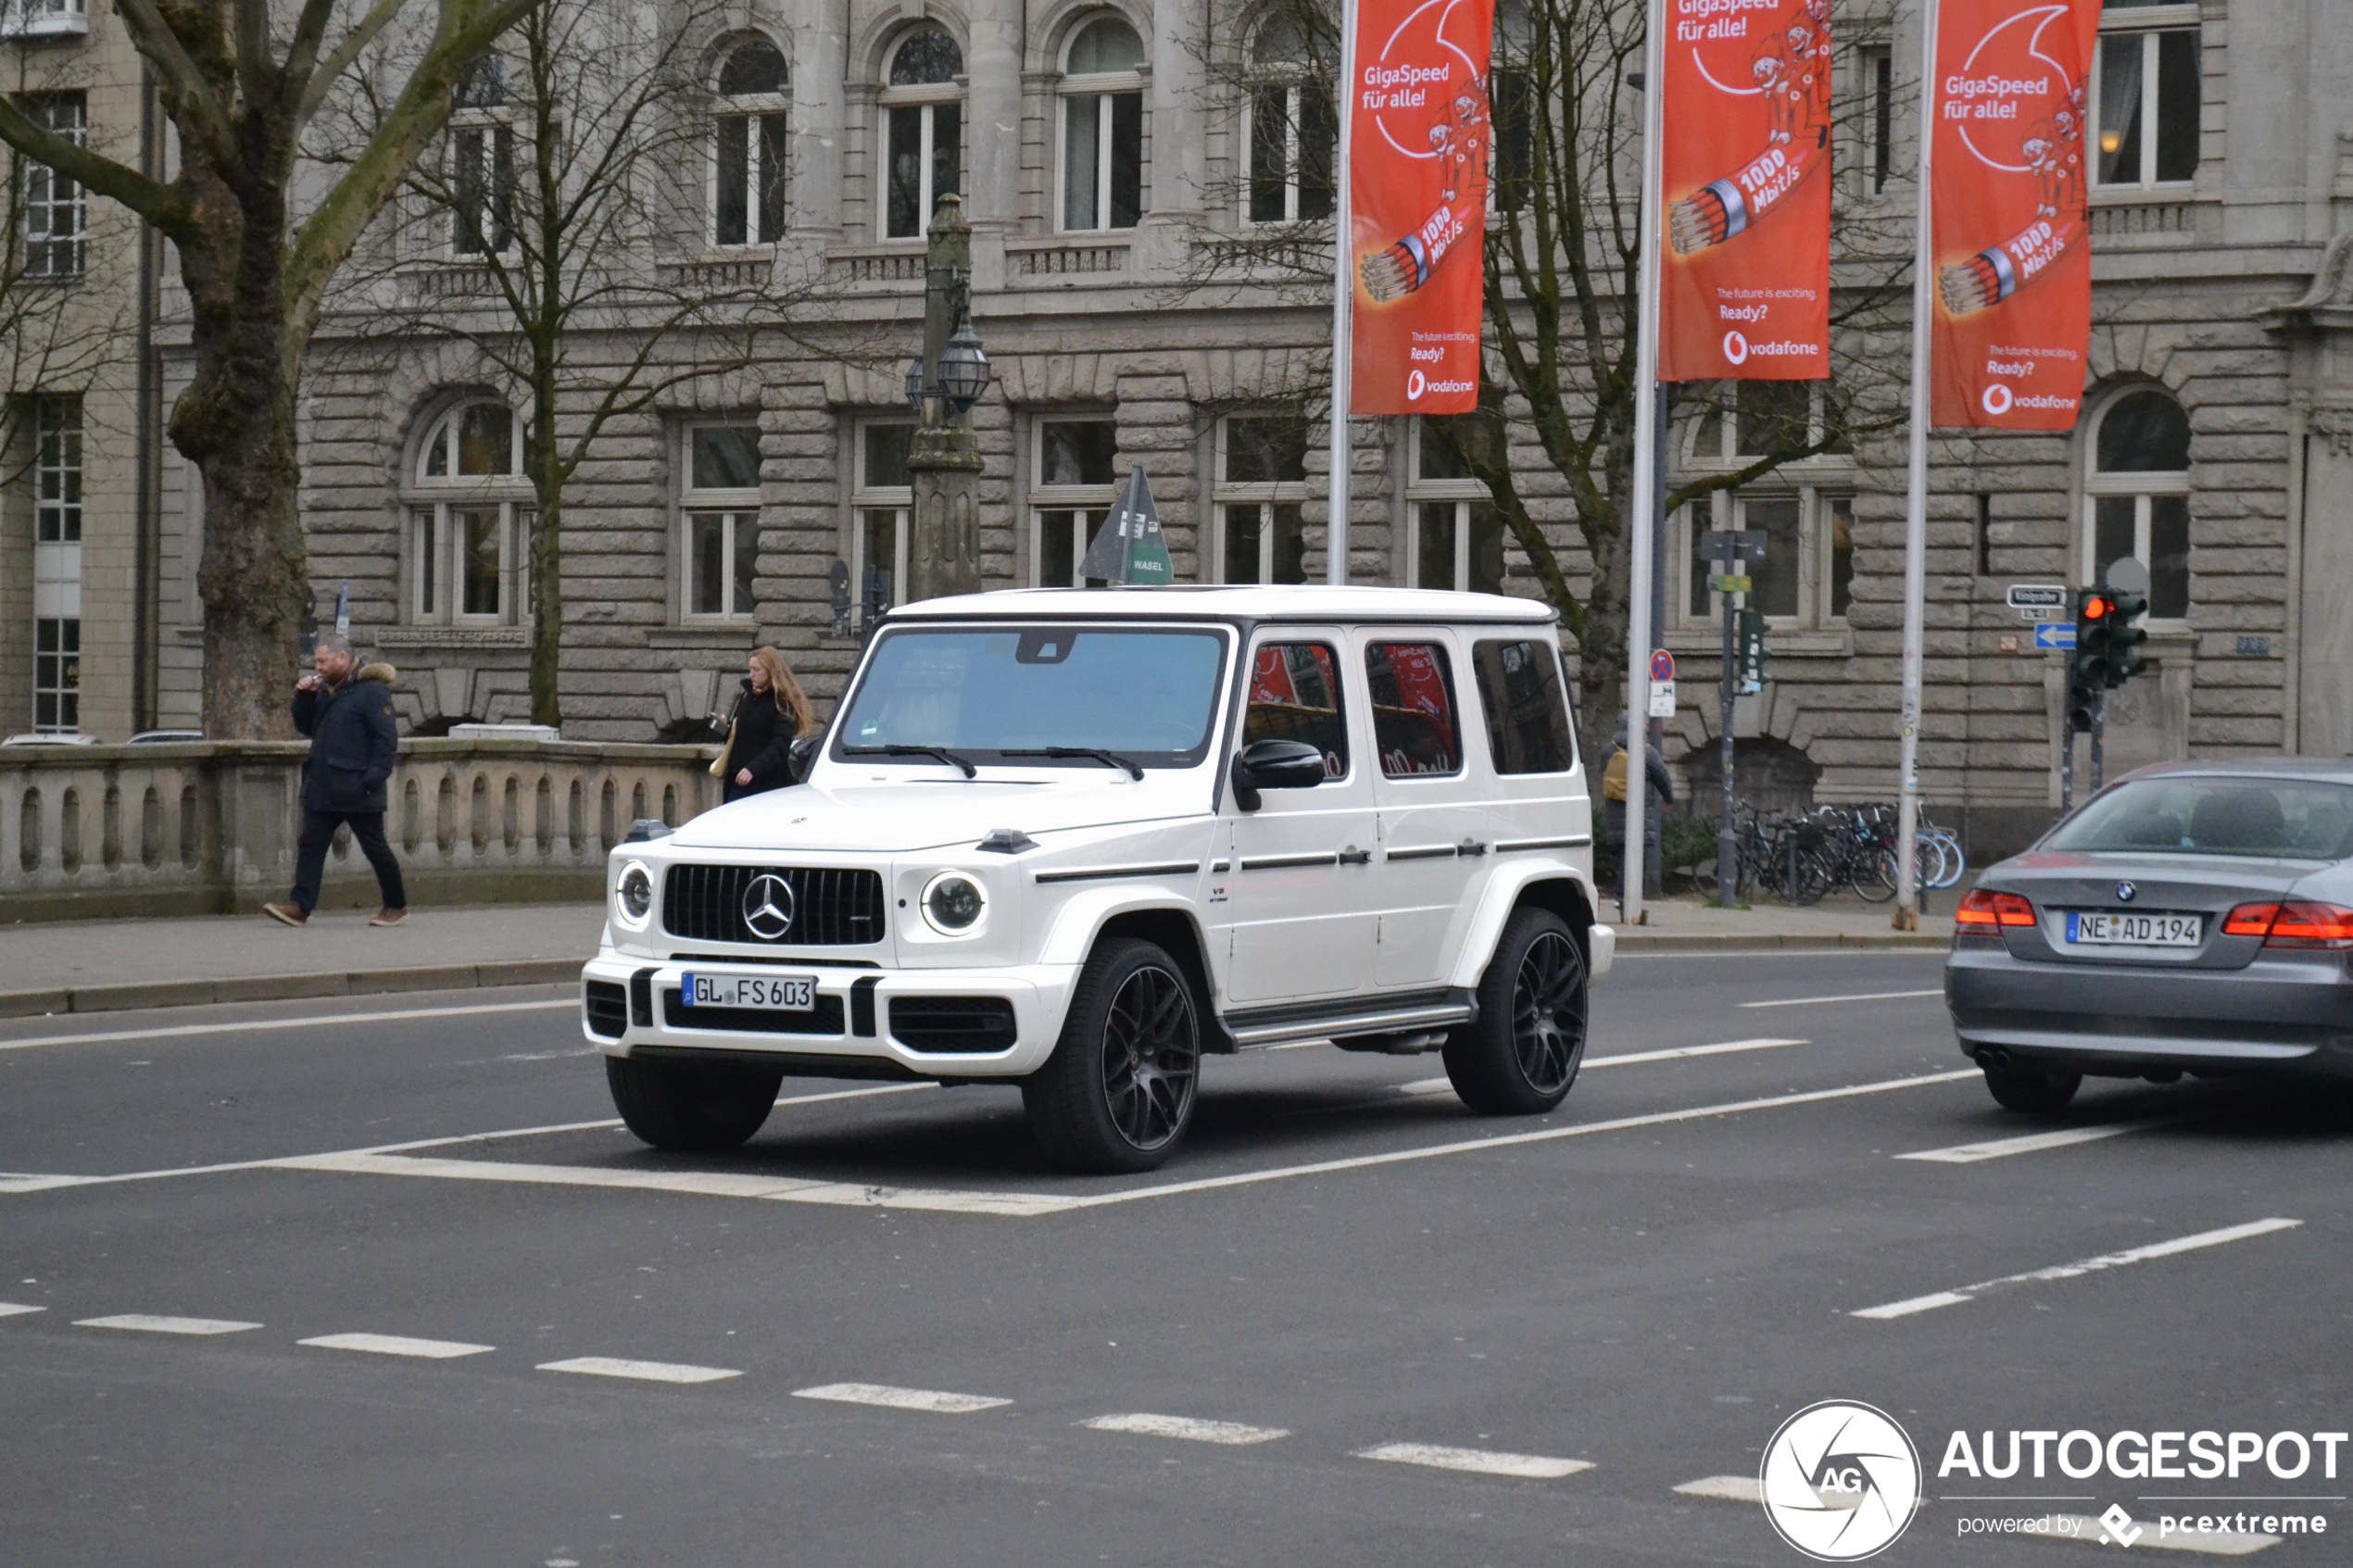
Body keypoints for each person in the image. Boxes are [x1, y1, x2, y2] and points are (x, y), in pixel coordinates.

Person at [262, 634, 407, 927]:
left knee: (375, 848)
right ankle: (300, 906)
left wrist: (372, 781)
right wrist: (303, 697)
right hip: (324, 783)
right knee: (311, 845)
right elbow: (306, 726)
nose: (318, 666)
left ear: (342, 658)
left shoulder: (372, 691)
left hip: (358, 787)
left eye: (322, 661)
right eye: (317, 661)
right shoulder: (326, 689)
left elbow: (386, 739)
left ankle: (396, 905)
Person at [712, 646, 816, 803]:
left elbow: (779, 746)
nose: (751, 674)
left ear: (771, 671)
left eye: (756, 669)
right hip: (737, 778)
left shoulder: (783, 702)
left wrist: (753, 769)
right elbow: (743, 737)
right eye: (750, 669)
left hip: (766, 783)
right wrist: (724, 728)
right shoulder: (747, 696)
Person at [1600, 719, 1674, 901]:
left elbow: (1603, 774)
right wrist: (1668, 799)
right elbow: (1663, 778)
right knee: (1633, 854)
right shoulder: (1648, 753)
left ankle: (1623, 893)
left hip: (1614, 810)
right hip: (1638, 811)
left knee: (1623, 853)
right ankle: (1623, 896)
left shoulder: (1609, 751)